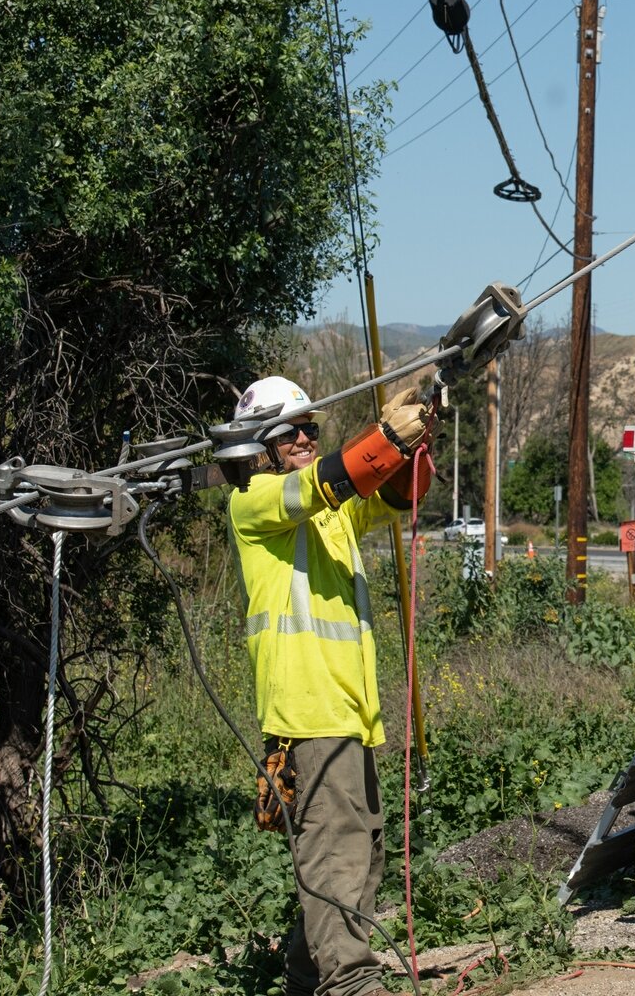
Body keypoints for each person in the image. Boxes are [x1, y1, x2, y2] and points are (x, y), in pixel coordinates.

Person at [227, 375, 435, 996]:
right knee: (337, 860)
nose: (306, 438)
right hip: (307, 714)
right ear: (261, 447)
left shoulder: (331, 514)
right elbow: (327, 482)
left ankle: (303, 981)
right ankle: (350, 985)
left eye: (311, 429)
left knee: (355, 862)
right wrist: (382, 438)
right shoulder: (255, 500)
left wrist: (419, 440)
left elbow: (398, 494)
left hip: (351, 717)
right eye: (292, 431)